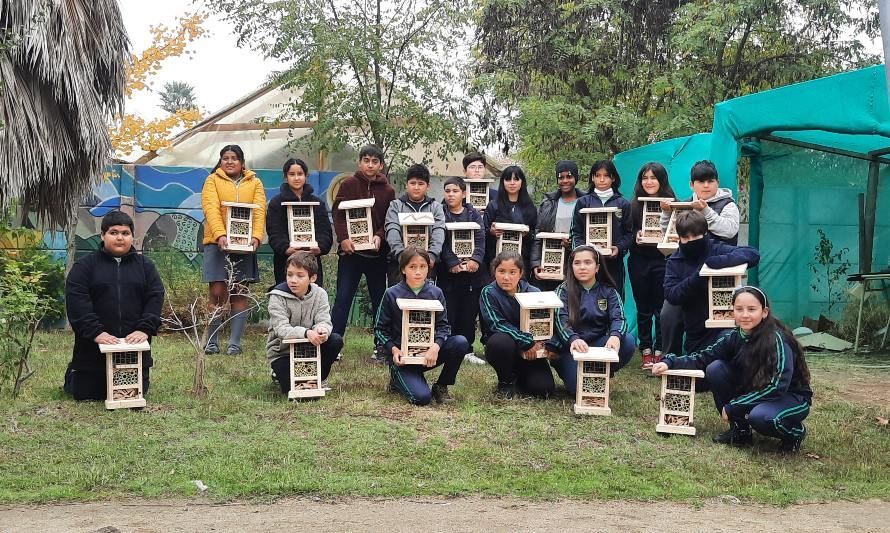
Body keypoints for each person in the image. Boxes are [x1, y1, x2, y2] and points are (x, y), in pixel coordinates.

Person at [653, 286, 812, 453]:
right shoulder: (733, 336)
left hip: (790, 396)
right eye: (739, 309)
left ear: (764, 312)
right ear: (732, 312)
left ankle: (795, 434)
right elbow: (703, 358)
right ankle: (740, 431)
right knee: (716, 368)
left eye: (751, 309)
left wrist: (734, 406)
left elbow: (778, 386)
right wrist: (670, 362)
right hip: (757, 390)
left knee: (761, 417)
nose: (745, 315)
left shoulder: (778, 339)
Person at [63, 211, 165, 401]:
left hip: (132, 349)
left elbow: (155, 297)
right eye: (113, 232)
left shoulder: (146, 266)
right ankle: (74, 374)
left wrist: (144, 329)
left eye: (125, 233)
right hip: (92, 351)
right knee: (88, 394)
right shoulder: (84, 267)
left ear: (132, 237)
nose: (120, 237)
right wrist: (96, 333)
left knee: (130, 395)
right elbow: (77, 302)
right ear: (103, 236)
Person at [659, 160, 741, 356]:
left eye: (710, 181)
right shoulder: (684, 205)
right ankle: (669, 359)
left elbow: (729, 231)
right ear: (691, 184)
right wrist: (665, 213)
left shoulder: (728, 205)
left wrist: (705, 210)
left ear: (717, 182)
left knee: (724, 320)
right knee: (669, 313)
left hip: (720, 276)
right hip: (686, 276)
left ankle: (724, 360)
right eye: (700, 181)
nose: (706, 185)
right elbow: (670, 234)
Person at [374, 247, 468, 405]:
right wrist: (394, 350)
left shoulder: (436, 293)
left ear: (428, 268)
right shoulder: (391, 293)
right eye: (412, 267)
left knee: (460, 342)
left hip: (428, 355)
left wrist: (435, 347)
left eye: (422, 267)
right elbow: (380, 329)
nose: (418, 272)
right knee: (422, 398)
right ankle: (397, 378)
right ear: (403, 269)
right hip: (402, 358)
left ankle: (441, 386)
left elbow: (444, 327)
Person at [201, 144, 267, 356]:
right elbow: (210, 208)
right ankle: (211, 342)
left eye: (234, 158)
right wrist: (221, 235)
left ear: (242, 162)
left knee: (240, 291)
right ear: (220, 162)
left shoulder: (255, 182)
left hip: (245, 246)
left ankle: (235, 344)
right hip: (217, 243)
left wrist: (256, 237)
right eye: (225, 158)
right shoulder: (212, 180)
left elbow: (259, 212)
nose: (230, 162)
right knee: (218, 292)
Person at [663, 210, 760, 355]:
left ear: (705, 233)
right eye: (686, 237)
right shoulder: (675, 260)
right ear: (679, 238)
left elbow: (752, 254)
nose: (691, 241)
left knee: (720, 366)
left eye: (696, 236)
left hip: (725, 325)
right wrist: (698, 277)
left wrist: (716, 262)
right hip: (695, 326)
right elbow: (671, 294)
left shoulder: (715, 248)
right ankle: (669, 357)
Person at [330, 145, 396, 343]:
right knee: (343, 298)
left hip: (377, 256)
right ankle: (335, 342)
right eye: (366, 160)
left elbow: (389, 219)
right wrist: (343, 238)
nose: (370, 165)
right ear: (359, 163)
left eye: (375, 161)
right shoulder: (349, 184)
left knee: (379, 300)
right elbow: (338, 213)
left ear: (381, 165)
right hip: (351, 255)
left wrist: (379, 236)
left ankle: (381, 344)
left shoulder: (388, 190)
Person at [547, 246, 636, 393]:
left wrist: (615, 336)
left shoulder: (609, 292)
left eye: (588, 262)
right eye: (577, 263)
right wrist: (573, 339)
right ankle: (572, 370)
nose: (582, 267)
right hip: (569, 347)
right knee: (580, 389)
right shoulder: (563, 290)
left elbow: (618, 318)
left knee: (628, 341)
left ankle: (601, 372)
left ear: (597, 267)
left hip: (597, 343)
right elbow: (559, 319)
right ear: (571, 266)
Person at [266, 252, 343, 395]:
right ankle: (278, 373)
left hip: (312, 349)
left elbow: (324, 320)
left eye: (300, 276)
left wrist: (322, 330)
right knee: (291, 390)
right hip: (283, 352)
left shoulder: (320, 294)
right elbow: (281, 329)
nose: (293, 280)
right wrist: (306, 333)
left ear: (312, 278)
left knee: (335, 340)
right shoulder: (276, 296)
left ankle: (319, 379)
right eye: (290, 275)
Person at [480, 251, 554, 399]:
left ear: (520, 273)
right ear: (495, 272)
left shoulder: (534, 293)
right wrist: (526, 341)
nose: (506, 277)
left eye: (512, 272)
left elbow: (546, 323)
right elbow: (497, 324)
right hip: (507, 347)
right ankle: (505, 380)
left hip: (531, 350)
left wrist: (545, 343)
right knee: (499, 342)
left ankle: (520, 377)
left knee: (543, 390)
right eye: (501, 271)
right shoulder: (488, 292)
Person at [628, 162, 676, 369]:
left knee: (661, 308)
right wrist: (635, 236)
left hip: (663, 261)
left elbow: (681, 230)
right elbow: (624, 235)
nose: (649, 182)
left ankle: (660, 349)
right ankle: (645, 349)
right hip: (639, 260)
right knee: (643, 308)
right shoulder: (633, 205)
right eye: (645, 178)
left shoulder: (673, 203)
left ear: (662, 180)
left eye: (653, 178)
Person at [437, 176, 488, 361]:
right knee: (448, 312)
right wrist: (451, 262)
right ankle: (447, 346)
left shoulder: (474, 214)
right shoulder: (440, 213)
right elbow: (439, 240)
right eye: (448, 191)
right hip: (448, 275)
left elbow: (481, 239)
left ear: (464, 193)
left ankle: (467, 350)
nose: (451, 195)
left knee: (468, 313)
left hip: (472, 277)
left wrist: (475, 260)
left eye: (455, 191)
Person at [570, 160, 633, 299]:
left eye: (606, 175)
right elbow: (576, 232)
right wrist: (584, 253)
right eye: (598, 175)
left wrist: (618, 248)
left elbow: (629, 234)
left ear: (613, 178)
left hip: (613, 265)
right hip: (588, 265)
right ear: (592, 178)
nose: (602, 179)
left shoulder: (623, 204)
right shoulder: (583, 202)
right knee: (587, 300)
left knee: (614, 299)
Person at [266, 158, 333, 287]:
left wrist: (320, 248)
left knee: (312, 296)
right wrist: (286, 248)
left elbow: (325, 231)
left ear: (306, 176)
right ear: (285, 177)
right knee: (287, 297)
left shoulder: (317, 203)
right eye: (292, 174)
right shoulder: (276, 203)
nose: (296, 178)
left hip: (311, 260)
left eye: (300, 174)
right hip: (285, 261)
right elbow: (274, 232)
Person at [384, 163, 446, 285]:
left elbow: (439, 231)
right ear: (406, 185)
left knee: (425, 301)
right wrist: (402, 256)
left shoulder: (436, 207)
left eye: (421, 184)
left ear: (428, 186)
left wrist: (432, 256)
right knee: (399, 301)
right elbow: (392, 230)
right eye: (413, 183)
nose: (416, 187)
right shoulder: (396, 206)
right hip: (399, 265)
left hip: (427, 264)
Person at [530, 160, 583, 291]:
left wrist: (573, 244)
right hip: (550, 258)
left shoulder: (585, 202)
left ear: (576, 178)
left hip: (576, 258)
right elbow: (538, 234)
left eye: (569, 176)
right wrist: (535, 262)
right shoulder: (548, 204)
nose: (565, 181)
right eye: (561, 177)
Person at [483, 166, 537, 279]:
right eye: (508, 179)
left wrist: (527, 234)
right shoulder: (493, 205)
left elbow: (534, 234)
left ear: (522, 182)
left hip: (521, 261)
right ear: (503, 182)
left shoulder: (529, 207)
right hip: (497, 260)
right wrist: (492, 232)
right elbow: (483, 232)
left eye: (516, 179)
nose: (512, 183)